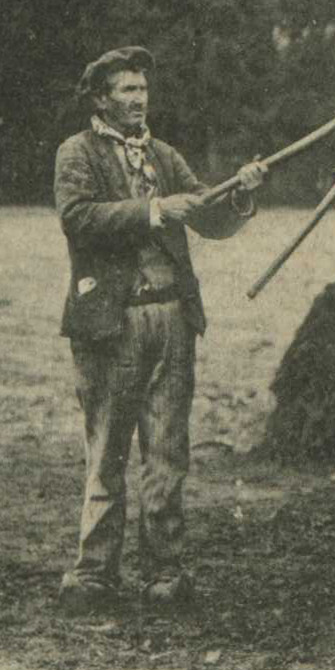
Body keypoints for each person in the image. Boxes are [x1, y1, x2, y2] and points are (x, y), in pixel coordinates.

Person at [54, 46, 267, 614]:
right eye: (126, 90)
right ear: (101, 98)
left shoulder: (164, 156)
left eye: (143, 89)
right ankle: (95, 573)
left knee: (167, 452)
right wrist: (152, 212)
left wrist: (240, 192)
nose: (139, 99)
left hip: (174, 320)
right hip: (111, 325)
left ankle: (163, 574)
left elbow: (207, 214)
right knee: (107, 450)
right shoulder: (77, 153)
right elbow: (77, 217)